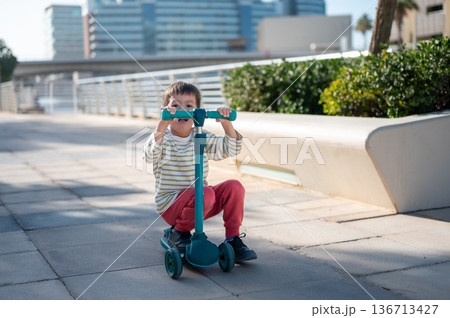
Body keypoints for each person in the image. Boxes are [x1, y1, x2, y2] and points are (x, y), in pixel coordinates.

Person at [143, 81, 257, 263]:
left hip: (201, 200)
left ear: (198, 111)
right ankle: (179, 232)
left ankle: (233, 239)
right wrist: (161, 125)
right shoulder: (163, 138)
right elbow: (149, 155)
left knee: (234, 187)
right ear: (166, 111)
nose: (183, 110)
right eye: (175, 106)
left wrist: (226, 123)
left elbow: (230, 149)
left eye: (189, 106)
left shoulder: (201, 136)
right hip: (171, 205)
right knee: (206, 193)